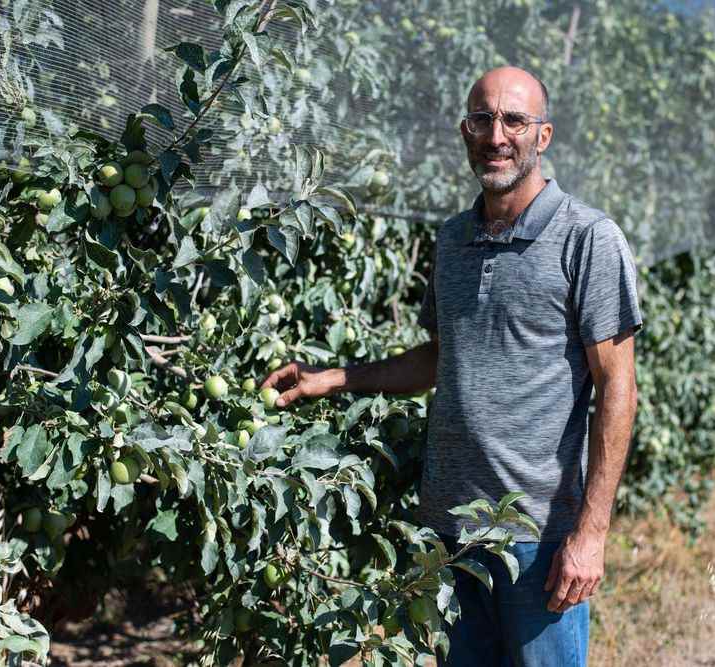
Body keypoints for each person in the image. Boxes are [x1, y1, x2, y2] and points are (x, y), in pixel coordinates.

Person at [261, 66, 643, 667]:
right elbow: (443, 355)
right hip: (448, 530)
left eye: (514, 120)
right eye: (482, 119)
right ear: (465, 133)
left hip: (536, 539)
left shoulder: (587, 238)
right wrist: (331, 379)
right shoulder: (452, 239)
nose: (497, 135)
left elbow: (617, 384)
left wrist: (590, 534)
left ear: (542, 136)